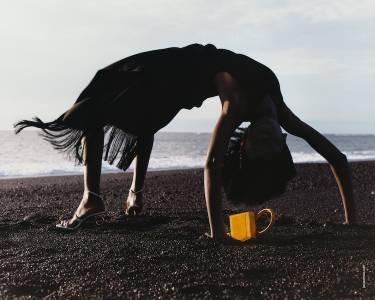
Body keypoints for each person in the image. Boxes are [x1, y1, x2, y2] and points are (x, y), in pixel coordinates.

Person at [14, 43, 357, 240]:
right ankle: (124, 195)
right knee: (111, 91)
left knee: (123, 111)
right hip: (179, 65)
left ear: (247, 142)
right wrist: (350, 221)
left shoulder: (235, 106)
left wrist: (218, 234)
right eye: (272, 143)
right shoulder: (282, 114)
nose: (267, 136)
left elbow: (211, 164)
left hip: (183, 82)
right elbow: (337, 158)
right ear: (284, 141)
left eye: (260, 145)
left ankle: (98, 198)